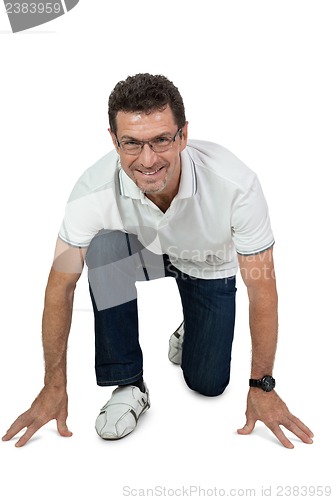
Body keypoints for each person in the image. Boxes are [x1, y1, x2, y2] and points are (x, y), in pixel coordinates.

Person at [2, 73, 313, 448]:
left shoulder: (236, 185)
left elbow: (262, 287)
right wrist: (53, 385)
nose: (147, 160)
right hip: (142, 253)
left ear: (182, 135)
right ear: (114, 141)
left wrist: (263, 386)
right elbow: (60, 284)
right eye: (132, 143)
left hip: (207, 262)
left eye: (161, 140)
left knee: (209, 384)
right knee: (102, 249)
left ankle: (193, 328)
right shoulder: (91, 192)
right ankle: (129, 383)